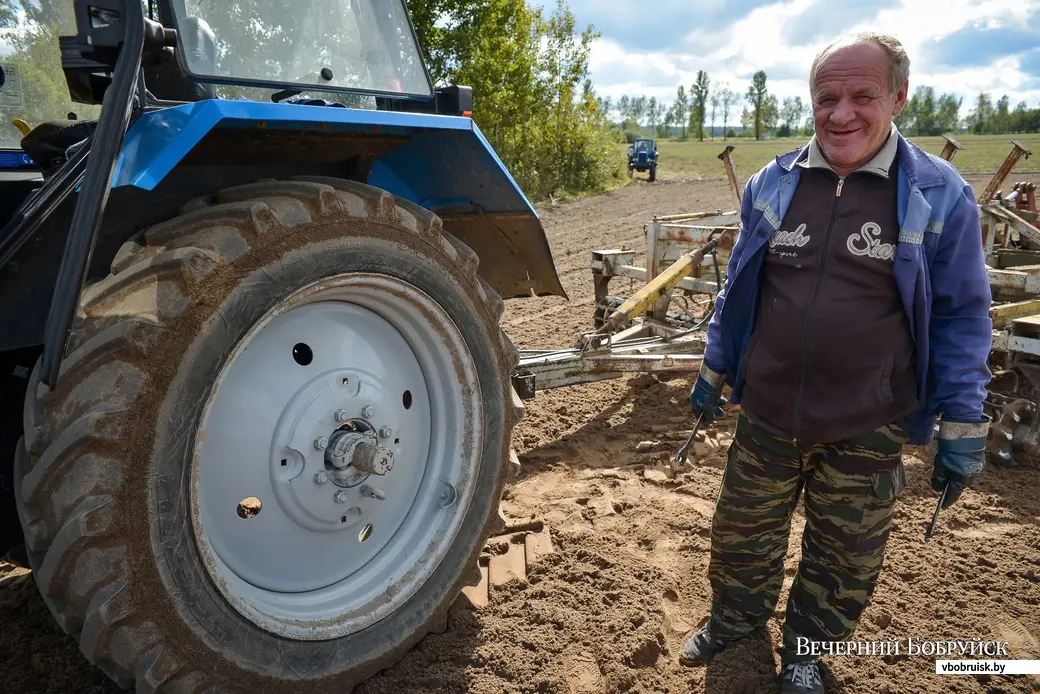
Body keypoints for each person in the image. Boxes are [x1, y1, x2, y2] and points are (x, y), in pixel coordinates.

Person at [679, 32, 992, 694]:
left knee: (844, 556)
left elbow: (964, 315)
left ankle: (804, 653)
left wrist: (963, 421)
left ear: (899, 98)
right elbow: (740, 289)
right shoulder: (774, 184)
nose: (841, 114)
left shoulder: (939, 197)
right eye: (827, 98)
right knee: (741, 534)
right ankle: (735, 626)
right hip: (766, 413)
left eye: (862, 96)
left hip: (868, 421)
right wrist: (715, 369)